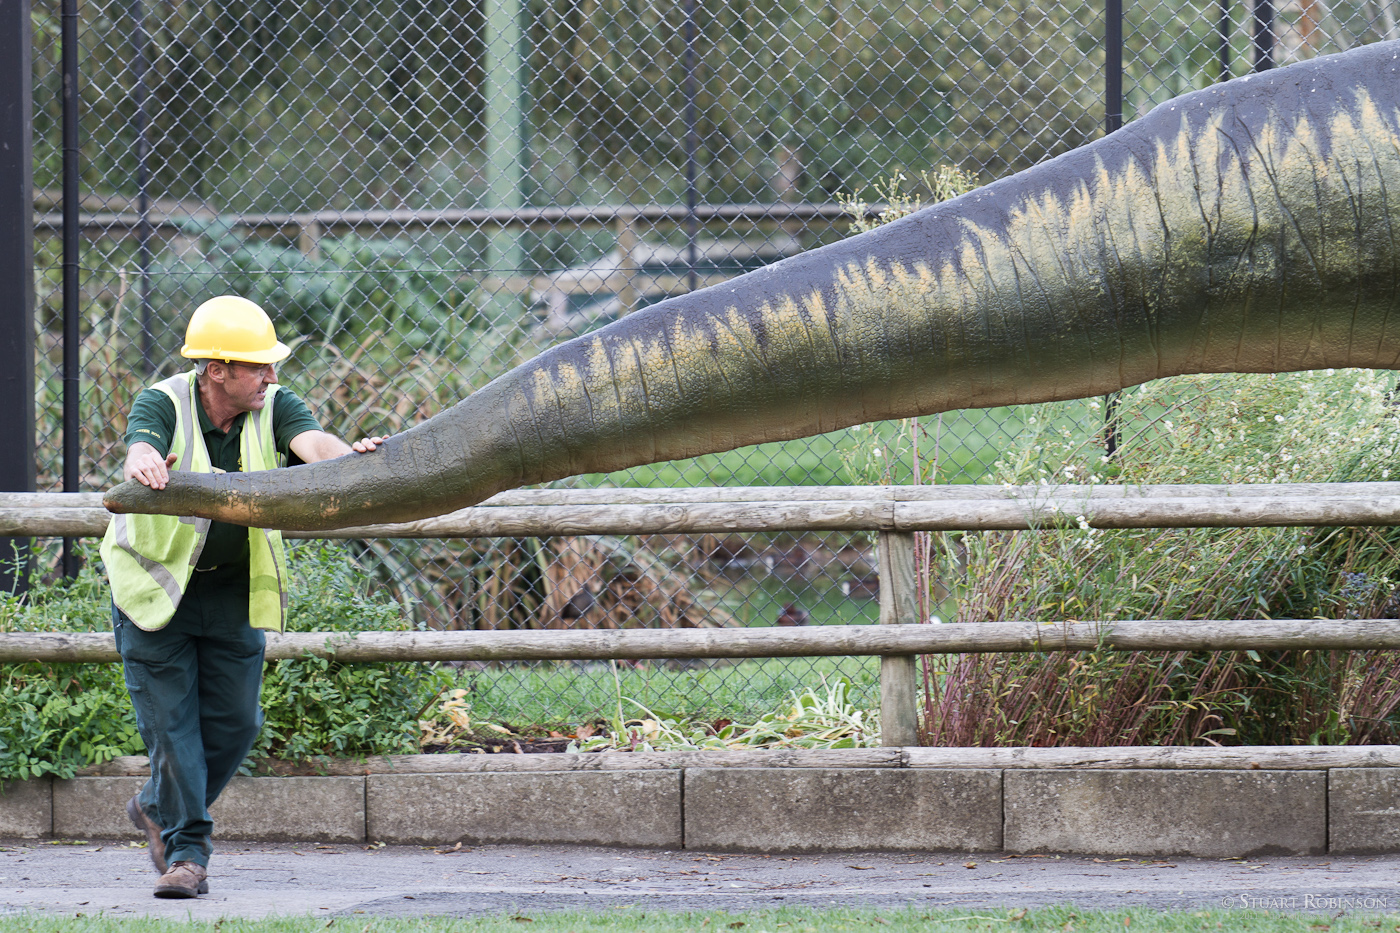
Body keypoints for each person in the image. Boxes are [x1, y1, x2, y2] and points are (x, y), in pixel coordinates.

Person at [99, 295, 386, 899]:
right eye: (258, 366)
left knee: (237, 723)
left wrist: (353, 461)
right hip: (154, 596)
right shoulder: (165, 400)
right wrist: (145, 462)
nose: (271, 377)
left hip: (231, 593)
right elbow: (140, 448)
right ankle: (187, 855)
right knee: (173, 731)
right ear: (217, 371)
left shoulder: (276, 405)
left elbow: (313, 446)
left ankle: (155, 805)